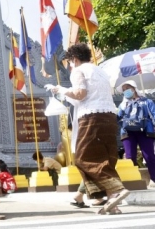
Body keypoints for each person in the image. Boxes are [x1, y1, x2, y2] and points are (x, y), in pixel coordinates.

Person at [51, 43, 129, 215]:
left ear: (75, 59)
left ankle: (117, 190)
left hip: (92, 118)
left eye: (70, 62)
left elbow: (81, 94)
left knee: (84, 158)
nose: (70, 66)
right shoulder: (100, 70)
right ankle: (112, 202)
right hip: (109, 116)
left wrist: (62, 90)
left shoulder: (78, 71)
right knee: (105, 159)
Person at [116, 80, 155, 184]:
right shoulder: (122, 105)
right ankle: (132, 181)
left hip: (145, 131)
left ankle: (154, 180)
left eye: (127, 88)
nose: (126, 91)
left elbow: (154, 115)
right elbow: (118, 118)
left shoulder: (147, 102)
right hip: (128, 133)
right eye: (123, 90)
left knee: (149, 156)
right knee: (129, 157)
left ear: (134, 88)